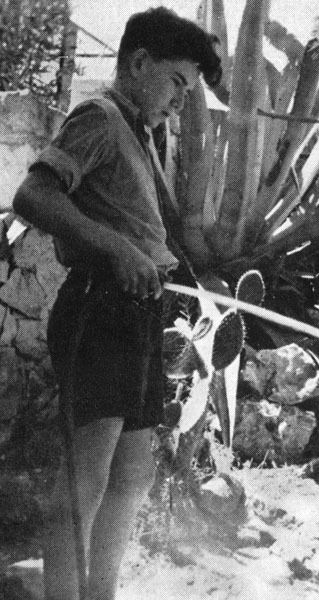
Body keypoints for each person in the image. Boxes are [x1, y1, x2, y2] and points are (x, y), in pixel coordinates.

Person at [13, 7, 221, 600]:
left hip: (137, 316)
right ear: (138, 63)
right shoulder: (99, 118)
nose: (179, 102)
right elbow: (33, 194)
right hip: (99, 311)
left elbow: (147, 228)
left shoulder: (140, 133)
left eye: (188, 92)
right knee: (88, 476)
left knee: (132, 475)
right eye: (177, 83)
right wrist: (116, 248)